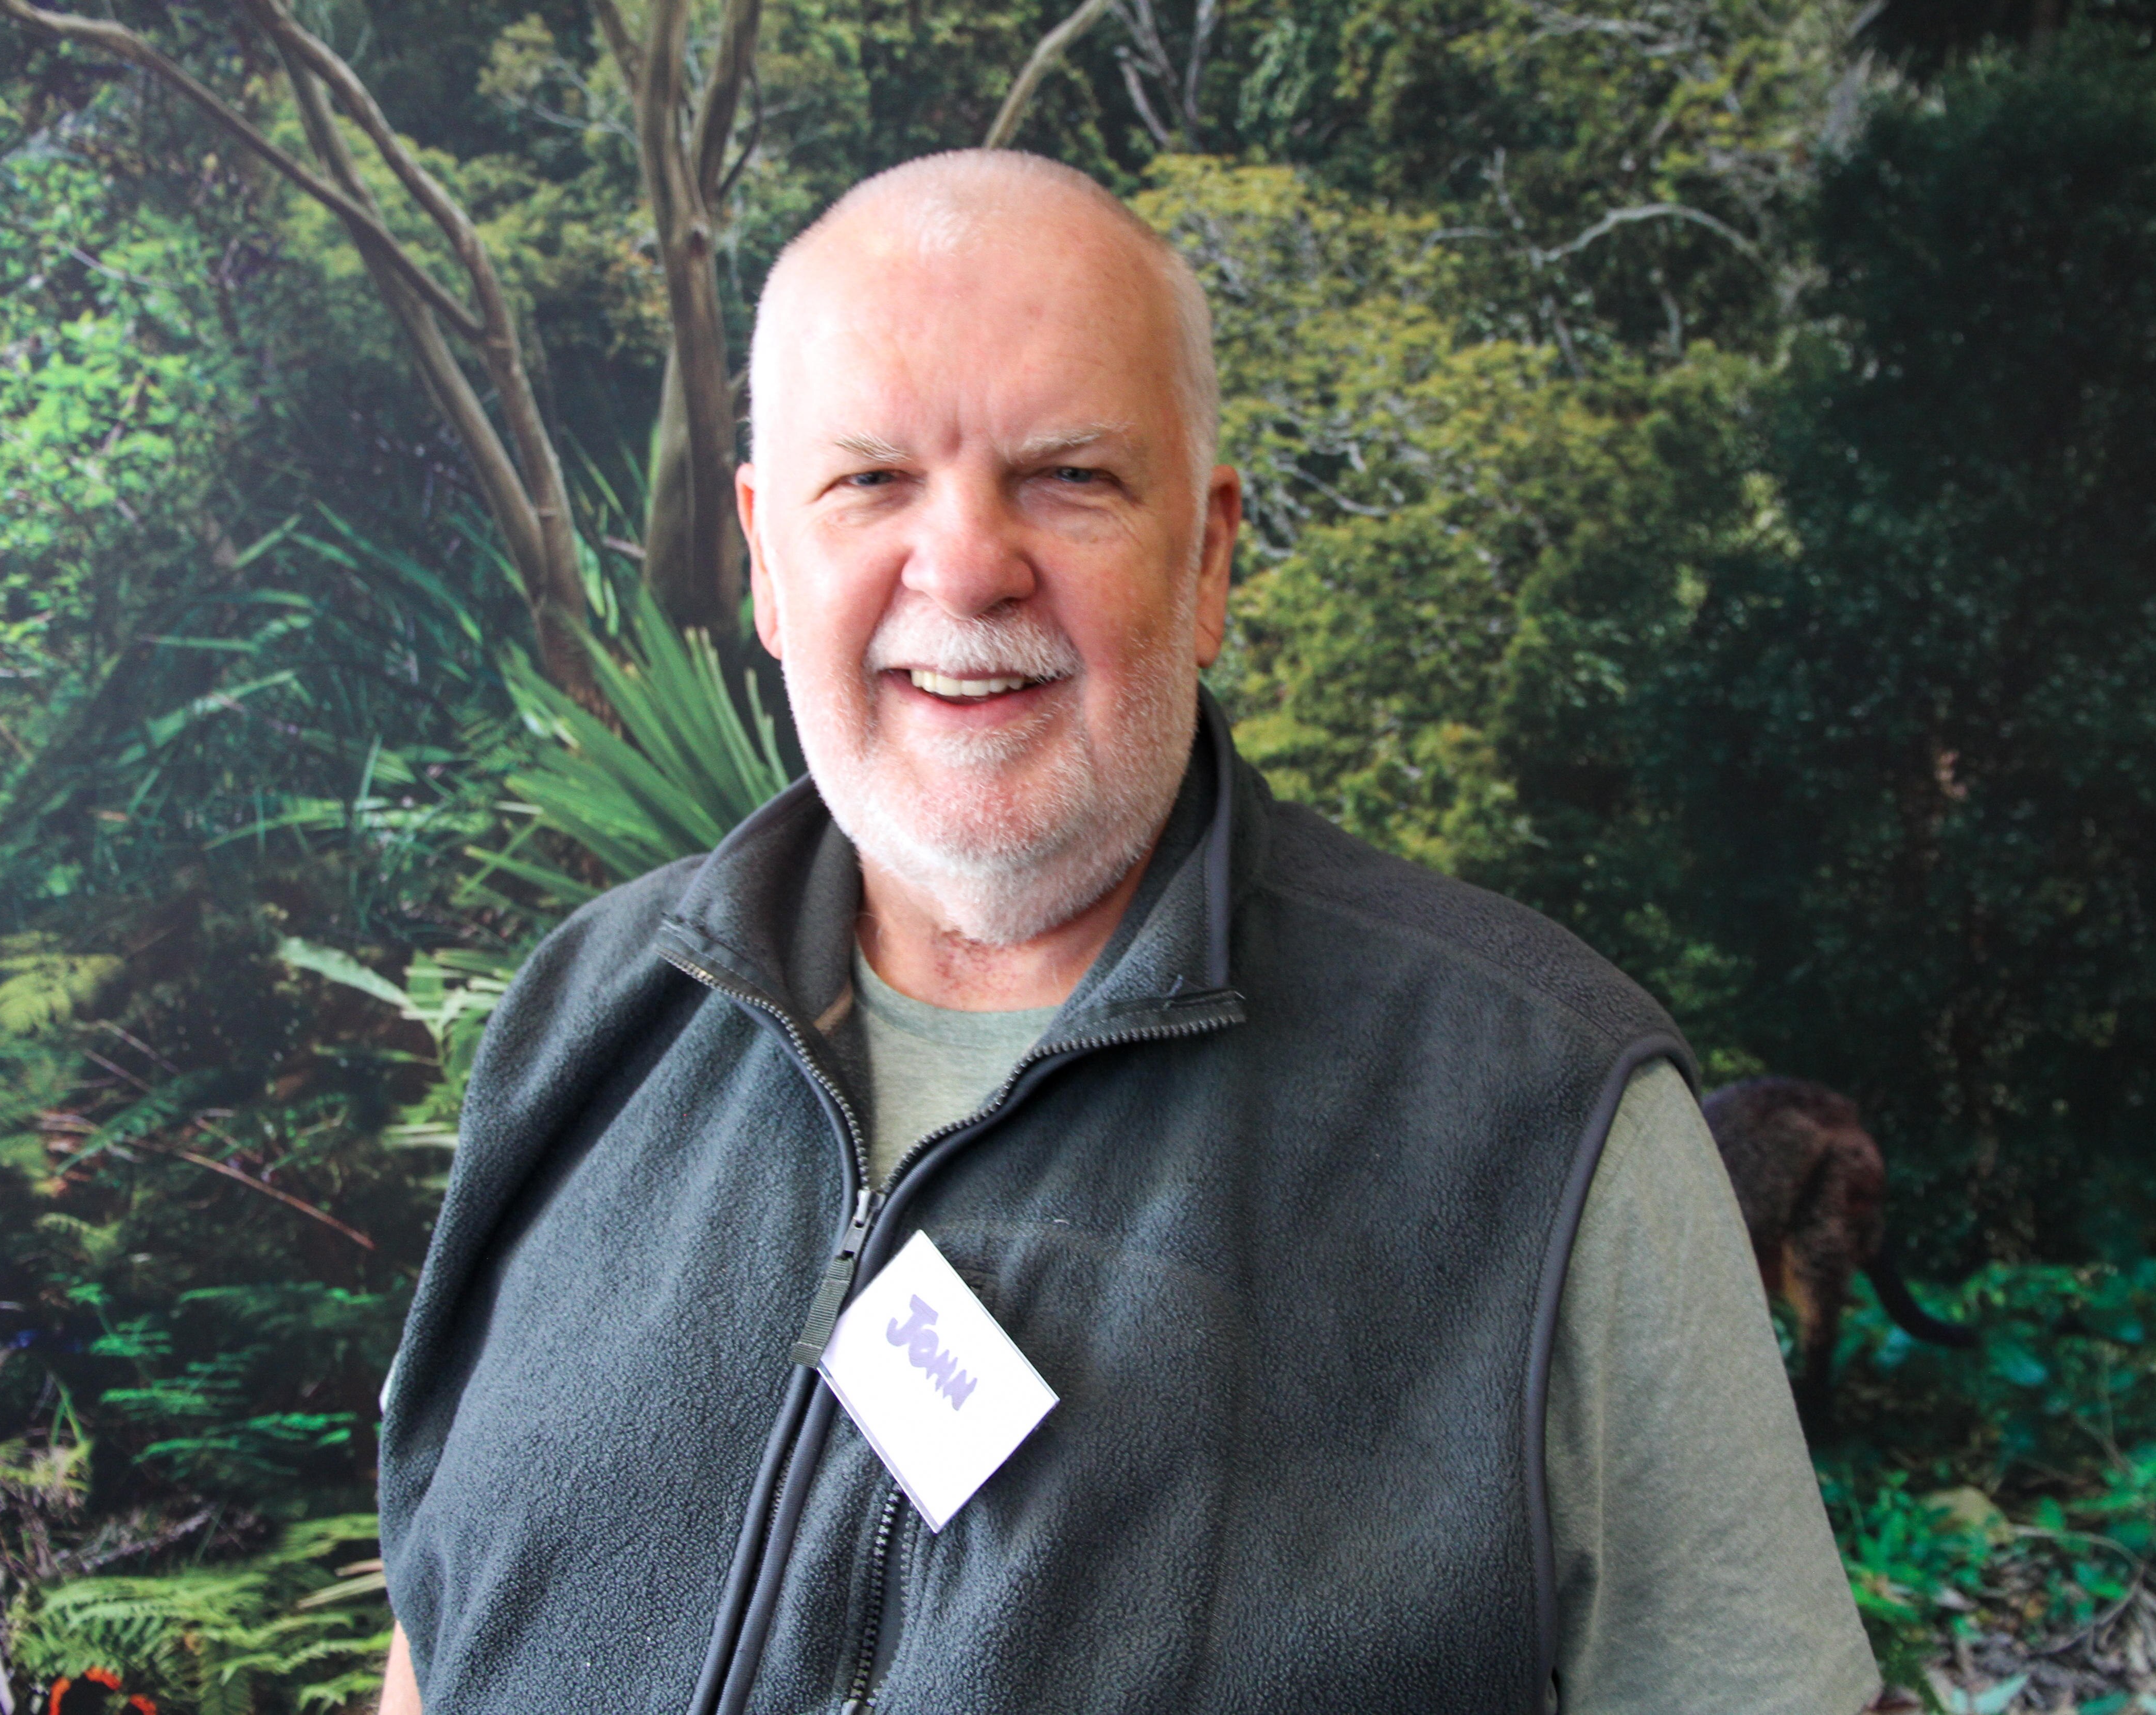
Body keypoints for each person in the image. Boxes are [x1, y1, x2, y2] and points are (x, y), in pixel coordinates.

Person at [373, 149, 1879, 1715]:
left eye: (1070, 475)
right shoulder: (586, 1021)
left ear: (1211, 552)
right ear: (767, 556)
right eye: (871, 479)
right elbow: (440, 1641)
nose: (963, 565)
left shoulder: (1552, 1122)